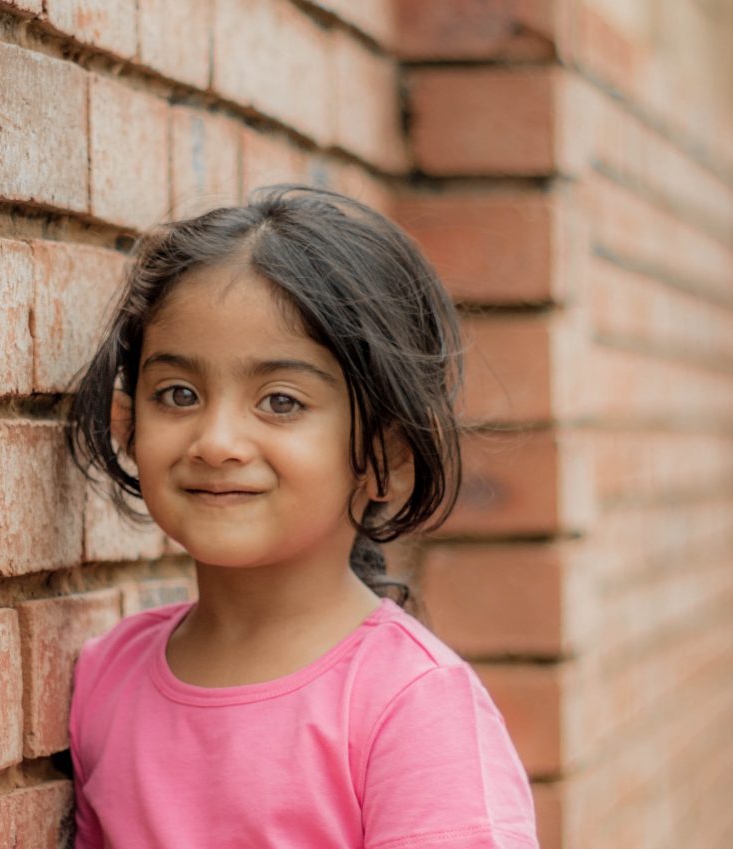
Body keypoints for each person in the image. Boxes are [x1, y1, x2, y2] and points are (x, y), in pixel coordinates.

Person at [66, 185, 539, 849]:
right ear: (128, 424)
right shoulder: (106, 679)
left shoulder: (414, 703)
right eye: (179, 394)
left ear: (385, 454)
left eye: (281, 401)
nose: (218, 439)